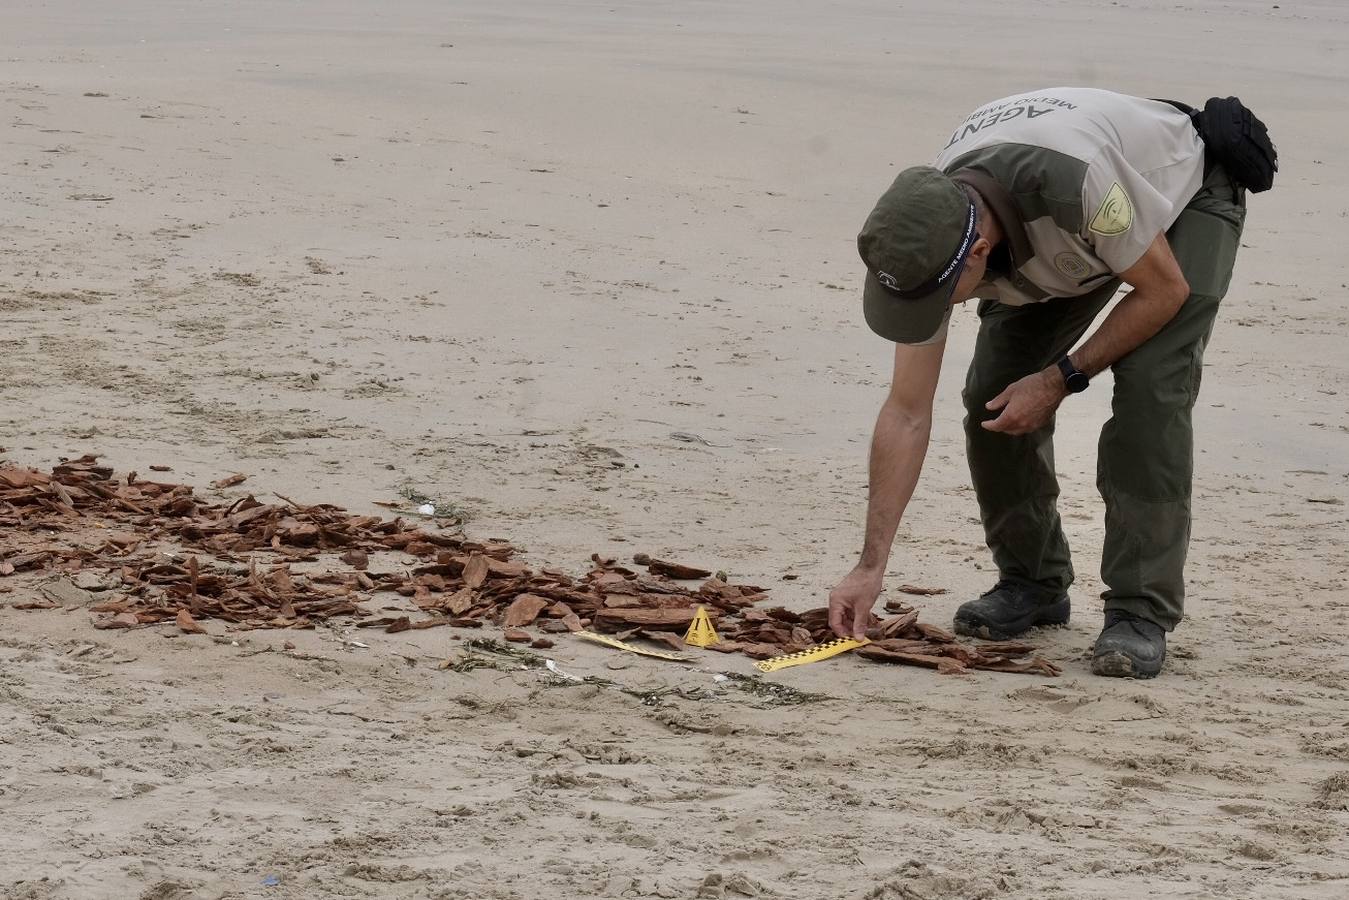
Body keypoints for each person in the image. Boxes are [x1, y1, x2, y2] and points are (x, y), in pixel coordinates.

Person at [827, 87, 1275, 678]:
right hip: (1063, 232)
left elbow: (1163, 291)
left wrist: (1060, 378)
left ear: (977, 255)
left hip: (1180, 198)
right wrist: (870, 565)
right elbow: (907, 411)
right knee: (991, 395)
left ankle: (1140, 609)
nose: (931, 314)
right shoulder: (928, 232)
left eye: (937, 300)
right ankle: (1033, 581)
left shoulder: (1079, 187)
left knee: (1149, 393)